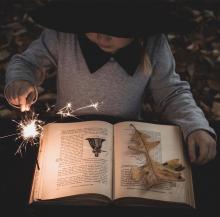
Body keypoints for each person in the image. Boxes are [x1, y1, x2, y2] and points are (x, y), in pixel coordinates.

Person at [4, 0, 216, 165]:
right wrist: (22, 79)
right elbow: (28, 62)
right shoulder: (63, 37)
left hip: (126, 139)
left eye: (117, 28)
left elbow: (171, 92)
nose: (102, 36)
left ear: (140, 25)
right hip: (68, 135)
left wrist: (194, 125)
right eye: (93, 24)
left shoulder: (153, 45)